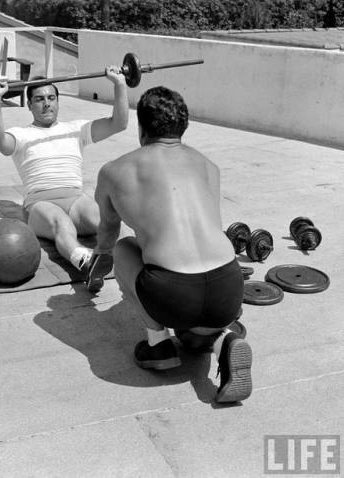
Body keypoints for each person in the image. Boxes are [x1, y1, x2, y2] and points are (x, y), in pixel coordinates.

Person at [92, 86, 252, 403]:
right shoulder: (209, 165)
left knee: (125, 248)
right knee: (197, 331)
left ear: (141, 128)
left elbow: (108, 233)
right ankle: (222, 339)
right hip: (228, 287)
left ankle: (158, 345)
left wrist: (100, 261)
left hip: (173, 294)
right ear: (184, 126)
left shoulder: (115, 170)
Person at [0, 67, 128, 290]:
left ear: (58, 102)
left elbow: (118, 124)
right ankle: (87, 263)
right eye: (39, 99)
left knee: (105, 220)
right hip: (40, 203)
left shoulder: (76, 129)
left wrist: (119, 84)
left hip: (75, 199)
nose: (46, 104)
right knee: (62, 224)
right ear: (30, 105)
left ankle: (123, 257)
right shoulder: (21, 134)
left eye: (51, 98)